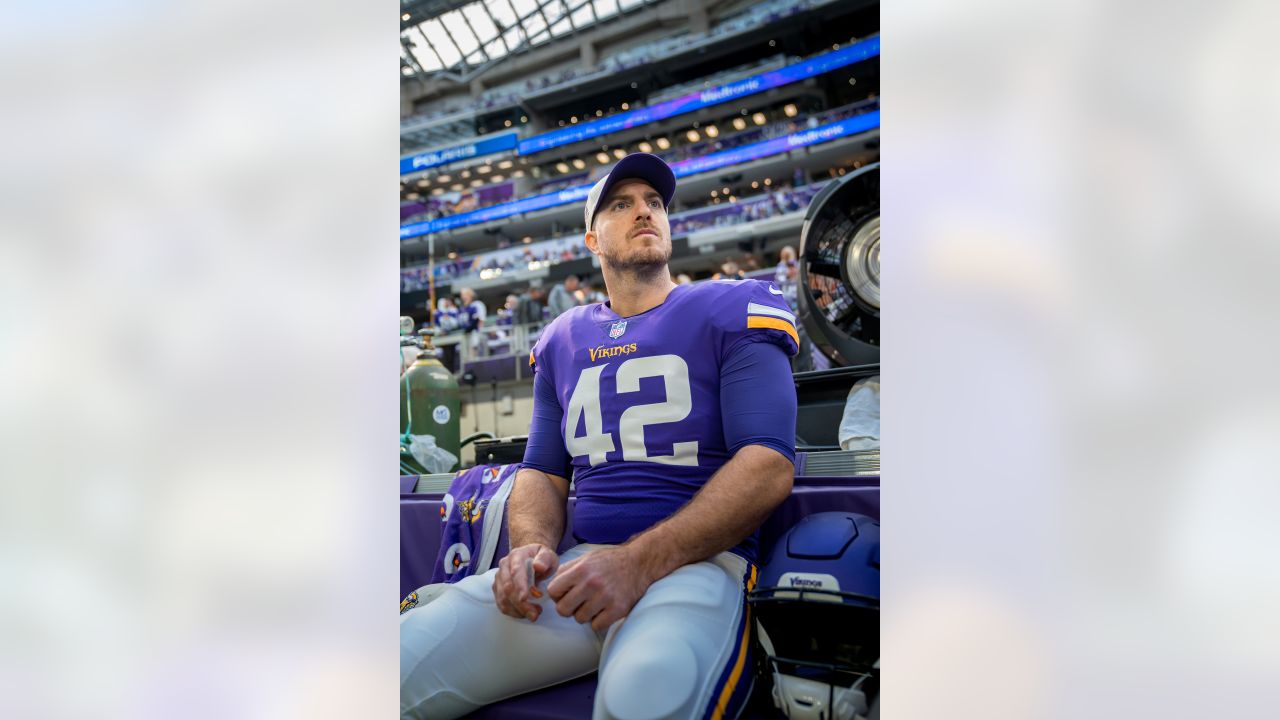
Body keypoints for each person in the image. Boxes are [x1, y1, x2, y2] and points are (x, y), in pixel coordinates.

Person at [401, 153, 800, 719]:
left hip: (700, 565)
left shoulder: (731, 306)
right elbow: (541, 470)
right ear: (592, 239)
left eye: (655, 203)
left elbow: (767, 463)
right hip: (581, 569)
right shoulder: (564, 337)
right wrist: (531, 548)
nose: (644, 212)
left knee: (649, 693)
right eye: (622, 204)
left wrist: (636, 562)